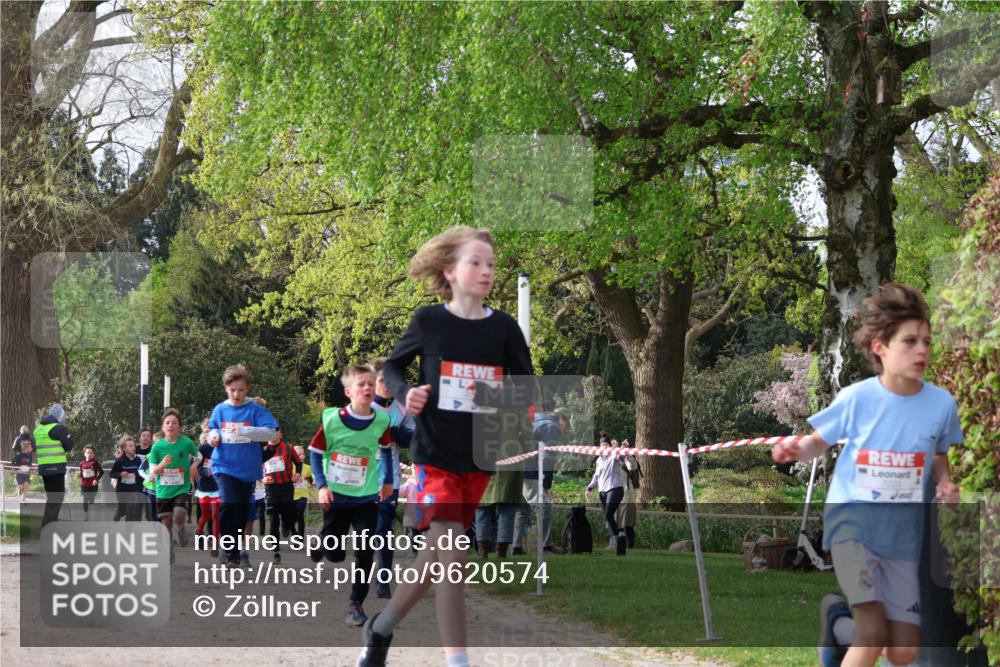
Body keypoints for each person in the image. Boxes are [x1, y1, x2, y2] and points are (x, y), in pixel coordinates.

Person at [357, 226, 534, 667]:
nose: (487, 271)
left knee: (434, 562)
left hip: (477, 457)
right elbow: (393, 367)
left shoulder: (504, 329)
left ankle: (380, 629)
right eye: (476, 262)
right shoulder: (428, 322)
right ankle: (458, 661)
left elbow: (527, 389)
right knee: (454, 556)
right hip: (434, 457)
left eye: (491, 264)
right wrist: (405, 393)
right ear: (450, 271)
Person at [772, 284, 962, 667]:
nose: (922, 349)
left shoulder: (941, 404)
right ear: (881, 348)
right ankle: (851, 630)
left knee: (903, 651)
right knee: (873, 634)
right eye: (910, 341)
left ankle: (838, 624)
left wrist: (945, 481)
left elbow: (939, 453)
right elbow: (817, 443)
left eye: (926, 341)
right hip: (852, 527)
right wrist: (797, 449)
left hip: (902, 540)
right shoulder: (857, 398)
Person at [309, 363, 394, 626]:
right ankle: (322, 541)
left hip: (366, 495)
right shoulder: (332, 420)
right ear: (348, 392)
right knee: (335, 555)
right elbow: (315, 452)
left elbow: (386, 450)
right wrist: (322, 486)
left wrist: (388, 481)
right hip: (336, 495)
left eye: (371, 383)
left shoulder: (381, 420)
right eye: (361, 384)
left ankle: (355, 604)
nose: (368, 388)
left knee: (366, 549)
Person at [206, 365, 280, 568]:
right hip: (223, 466)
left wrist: (246, 432)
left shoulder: (255, 410)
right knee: (229, 504)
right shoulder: (220, 409)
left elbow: (271, 433)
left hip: (247, 470)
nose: (236, 394)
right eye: (232, 390)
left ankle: (234, 550)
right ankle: (229, 551)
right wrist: (213, 437)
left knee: (241, 513)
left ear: (247, 389)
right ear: (226, 388)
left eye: (241, 390)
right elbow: (212, 429)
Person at [371, 357, 416, 598]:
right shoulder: (363, 405)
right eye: (381, 380)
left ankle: (383, 579)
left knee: (384, 529)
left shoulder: (402, 407)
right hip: (362, 478)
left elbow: (415, 438)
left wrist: (397, 433)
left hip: (390, 479)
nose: (386, 385)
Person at [512, 408, 570, 555]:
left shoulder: (538, 417)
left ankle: (516, 547)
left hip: (517, 468)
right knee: (545, 507)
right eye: (566, 424)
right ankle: (544, 545)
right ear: (561, 419)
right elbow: (549, 457)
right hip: (530, 471)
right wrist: (546, 485)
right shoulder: (552, 427)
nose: (564, 429)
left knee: (522, 511)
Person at [149, 408, 201, 564]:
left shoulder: (186, 443)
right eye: (167, 423)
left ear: (180, 427)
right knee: (166, 523)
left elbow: (199, 456)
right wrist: (163, 464)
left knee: (178, 513)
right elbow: (153, 472)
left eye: (174, 423)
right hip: (163, 490)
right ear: (163, 427)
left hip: (181, 487)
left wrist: (194, 466)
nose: (170, 425)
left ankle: (181, 528)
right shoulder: (157, 447)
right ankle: (169, 549)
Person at [261, 429, 301, 563]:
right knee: (273, 519)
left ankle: (287, 526)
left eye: (274, 432)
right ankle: (276, 552)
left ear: (280, 435)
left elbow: (299, 463)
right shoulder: (263, 449)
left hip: (286, 487)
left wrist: (298, 475)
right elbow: (254, 466)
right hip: (271, 488)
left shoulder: (288, 448)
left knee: (288, 518)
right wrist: (262, 479)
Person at [34, 403, 74, 527]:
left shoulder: (39, 429)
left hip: (44, 468)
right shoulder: (57, 428)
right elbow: (69, 444)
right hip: (56, 467)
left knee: (52, 498)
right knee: (57, 498)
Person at [586, 433, 625, 550]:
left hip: (615, 488)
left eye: (606, 445)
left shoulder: (614, 455)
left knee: (608, 513)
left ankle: (619, 535)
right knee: (608, 517)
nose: (604, 447)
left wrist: (622, 447)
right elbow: (596, 476)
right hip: (602, 491)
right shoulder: (598, 460)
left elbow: (620, 455)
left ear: (609, 446)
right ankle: (613, 542)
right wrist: (590, 487)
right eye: (602, 445)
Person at [195, 438, 221, 557]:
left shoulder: (223, 447)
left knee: (215, 515)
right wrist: (205, 471)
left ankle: (215, 545)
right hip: (204, 487)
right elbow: (195, 466)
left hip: (218, 487)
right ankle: (199, 530)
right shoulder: (202, 449)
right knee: (205, 515)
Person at [110, 435, 144, 522]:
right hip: (122, 489)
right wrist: (120, 474)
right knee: (123, 510)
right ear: (124, 448)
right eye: (130, 446)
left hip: (133, 489)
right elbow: (112, 474)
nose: (133, 448)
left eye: (134, 446)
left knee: (130, 508)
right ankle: (119, 513)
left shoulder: (137, 460)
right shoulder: (120, 461)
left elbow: (141, 472)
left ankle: (128, 529)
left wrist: (138, 475)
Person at [615, 445, 641, 549]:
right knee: (617, 522)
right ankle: (618, 544)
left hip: (627, 496)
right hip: (615, 495)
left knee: (628, 523)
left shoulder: (627, 459)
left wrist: (628, 455)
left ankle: (629, 546)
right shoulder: (612, 460)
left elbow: (632, 466)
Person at [78, 445, 104, 520]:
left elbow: (101, 472)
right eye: (88, 452)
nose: (89, 454)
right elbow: (81, 473)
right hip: (84, 485)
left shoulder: (95, 463)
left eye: (91, 453)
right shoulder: (81, 463)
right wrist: (79, 475)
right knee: (85, 499)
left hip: (92, 485)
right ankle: (86, 516)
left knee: (91, 500)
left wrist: (96, 479)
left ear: (94, 454)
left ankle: (92, 512)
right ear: (84, 454)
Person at [292, 444, 312, 538]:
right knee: (291, 518)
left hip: (303, 494)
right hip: (290, 496)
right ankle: (290, 529)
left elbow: (313, 478)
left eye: (303, 454)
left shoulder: (308, 468)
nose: (302, 456)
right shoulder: (289, 466)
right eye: (299, 454)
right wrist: (292, 479)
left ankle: (300, 538)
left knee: (300, 513)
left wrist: (314, 481)